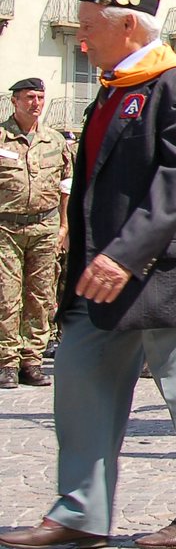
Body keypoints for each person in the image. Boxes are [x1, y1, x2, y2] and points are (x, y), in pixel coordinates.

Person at [0, 0, 176, 549]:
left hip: (164, 275)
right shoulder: (113, 89)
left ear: (128, 25)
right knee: (79, 389)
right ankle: (80, 512)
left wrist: (125, 256)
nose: (81, 38)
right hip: (97, 276)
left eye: (88, 26)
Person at [0, 78, 71, 389]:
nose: (36, 103)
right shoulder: (2, 139)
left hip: (45, 227)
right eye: (29, 97)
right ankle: (6, 361)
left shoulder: (55, 142)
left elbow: (66, 186)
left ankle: (32, 360)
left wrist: (65, 226)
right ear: (15, 101)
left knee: (41, 296)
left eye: (40, 97)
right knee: (6, 296)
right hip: (6, 227)